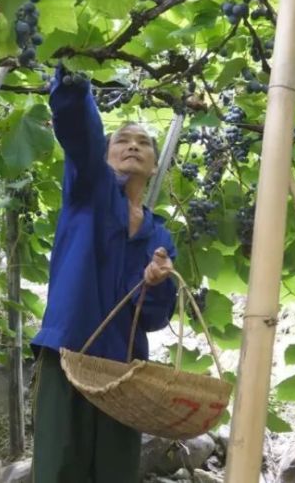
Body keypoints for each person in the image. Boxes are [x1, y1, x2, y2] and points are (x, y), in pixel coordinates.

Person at [29, 64, 179, 482]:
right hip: (68, 353)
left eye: (144, 143)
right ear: (105, 153)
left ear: (154, 164)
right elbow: (79, 131)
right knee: (60, 468)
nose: (133, 146)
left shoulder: (160, 235)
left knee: (116, 473)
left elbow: (153, 318)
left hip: (123, 372)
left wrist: (155, 284)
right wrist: (75, 82)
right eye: (122, 140)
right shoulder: (87, 189)